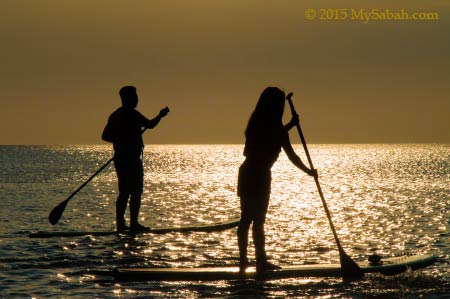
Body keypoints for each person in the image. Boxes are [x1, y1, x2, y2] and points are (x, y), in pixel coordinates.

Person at [237, 87, 318, 273]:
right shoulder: (272, 128)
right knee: (255, 220)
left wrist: (289, 126)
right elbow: (288, 152)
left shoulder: (257, 123)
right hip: (258, 175)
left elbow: (276, 140)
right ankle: (259, 262)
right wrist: (309, 171)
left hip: (248, 172)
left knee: (248, 220)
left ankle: (248, 261)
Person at [102, 86, 169, 233]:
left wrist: (121, 138)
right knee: (133, 191)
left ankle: (123, 224)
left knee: (126, 191)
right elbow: (150, 125)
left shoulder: (117, 115)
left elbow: (106, 136)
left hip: (122, 159)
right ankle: (130, 224)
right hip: (129, 159)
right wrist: (160, 115)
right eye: (135, 97)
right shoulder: (130, 114)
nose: (137, 100)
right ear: (128, 98)